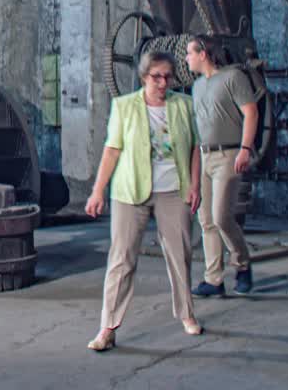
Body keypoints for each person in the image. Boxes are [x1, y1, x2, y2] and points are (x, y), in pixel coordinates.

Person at [85, 51, 203, 351]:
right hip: (129, 191)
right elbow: (112, 150)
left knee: (180, 253)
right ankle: (107, 327)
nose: (163, 82)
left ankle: (187, 314)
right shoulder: (124, 107)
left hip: (173, 189)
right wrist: (98, 191)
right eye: (156, 77)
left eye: (167, 76)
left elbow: (194, 148)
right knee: (121, 258)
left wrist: (194, 186)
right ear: (143, 77)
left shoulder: (184, 105)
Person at [185, 36, 259, 297]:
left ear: (203, 54)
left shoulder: (233, 78)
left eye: (189, 53)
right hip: (204, 155)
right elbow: (197, 130)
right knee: (205, 221)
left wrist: (245, 149)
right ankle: (214, 279)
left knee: (221, 217)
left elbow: (251, 112)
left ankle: (242, 263)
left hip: (228, 154)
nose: (186, 58)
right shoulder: (197, 87)